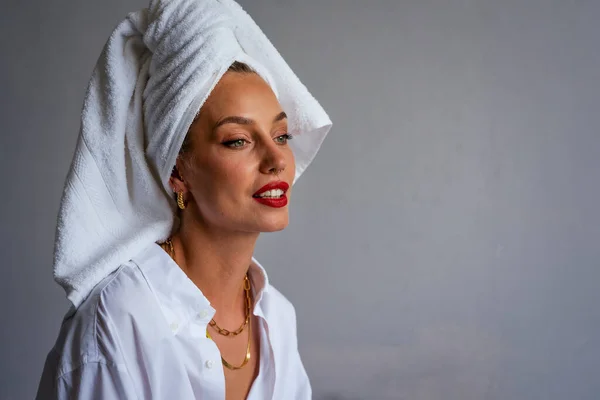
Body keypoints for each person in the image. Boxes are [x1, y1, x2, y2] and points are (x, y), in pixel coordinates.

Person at [36, 0, 331, 399]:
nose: (277, 159)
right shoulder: (120, 319)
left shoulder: (277, 319)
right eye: (238, 140)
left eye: (281, 136)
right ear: (178, 171)